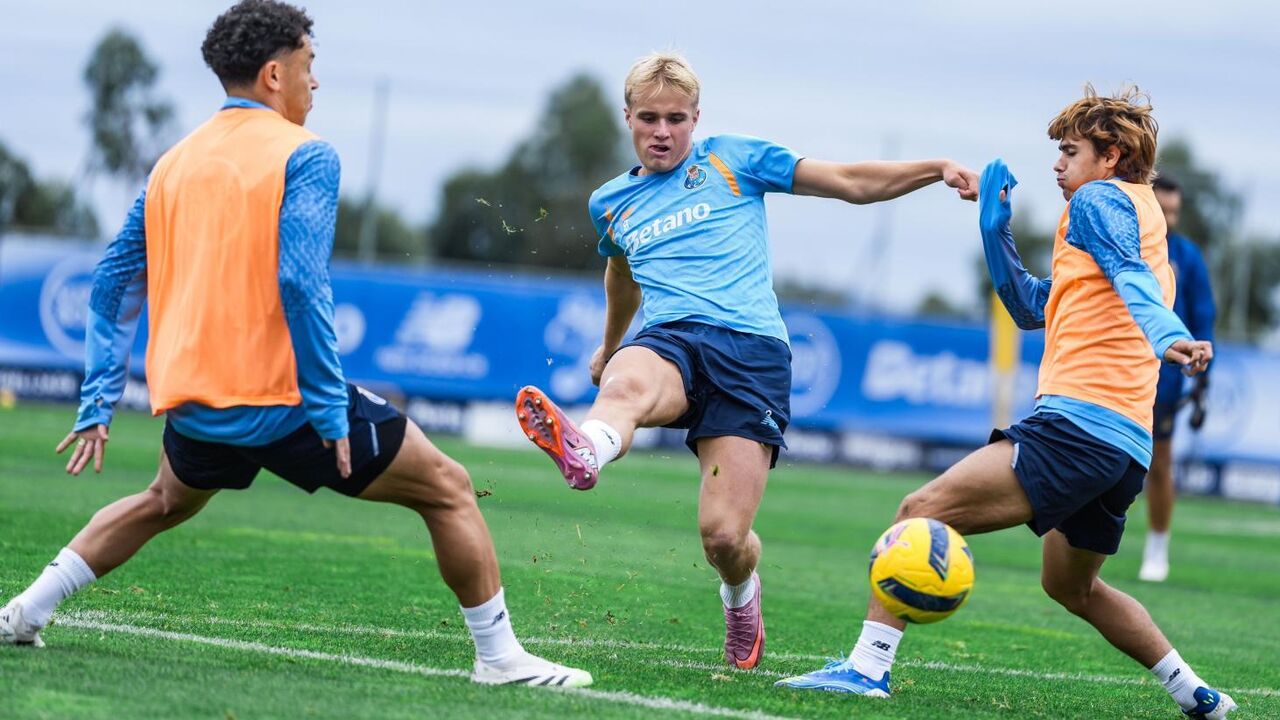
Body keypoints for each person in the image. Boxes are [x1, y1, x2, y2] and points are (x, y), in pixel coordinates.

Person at [0, 0, 590, 689]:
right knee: (449, 489)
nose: (316, 83)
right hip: (286, 403)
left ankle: (23, 612)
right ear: (275, 74)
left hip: (197, 408)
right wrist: (329, 412)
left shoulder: (171, 166)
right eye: (311, 67)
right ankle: (498, 658)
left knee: (165, 500)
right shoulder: (307, 155)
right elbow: (301, 284)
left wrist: (99, 399)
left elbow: (108, 285)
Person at [776, 86, 1237, 719]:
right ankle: (1198, 694)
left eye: (1069, 151)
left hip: (1080, 423)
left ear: (1111, 155)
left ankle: (866, 668)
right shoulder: (1131, 214)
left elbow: (1129, 276)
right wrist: (996, 230)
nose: (1057, 164)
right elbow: (1030, 308)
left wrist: (1169, 336)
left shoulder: (1102, 200)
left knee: (919, 511)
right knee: (1070, 586)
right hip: (1124, 444)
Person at [514, 51, 979, 670]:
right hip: (670, 339)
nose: (662, 131)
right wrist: (609, 343)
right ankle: (587, 449)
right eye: (648, 118)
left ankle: (741, 597)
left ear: (695, 117)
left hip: (751, 354)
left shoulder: (734, 159)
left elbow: (849, 183)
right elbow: (620, 271)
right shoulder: (610, 202)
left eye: (676, 118)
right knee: (626, 379)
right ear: (627, 117)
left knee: (724, 537)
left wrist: (935, 167)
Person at [1139, 174, 1216, 583]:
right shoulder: (1127, 244)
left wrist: (1203, 381)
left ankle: (1156, 549)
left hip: (1165, 378)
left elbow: (1202, 315)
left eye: (1174, 212)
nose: (1168, 219)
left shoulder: (1188, 256)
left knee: (1161, 464)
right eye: (1161, 211)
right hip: (1120, 371)